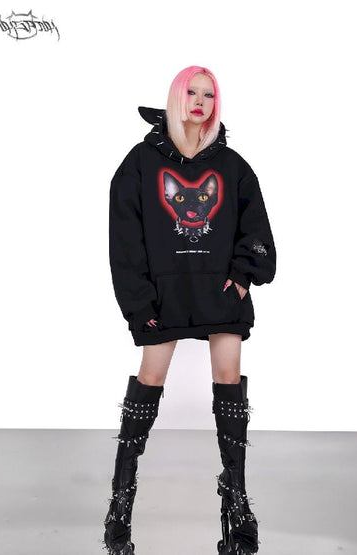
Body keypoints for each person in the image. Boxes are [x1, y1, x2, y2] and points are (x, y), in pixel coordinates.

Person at [103, 66, 277, 555]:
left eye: (209, 94)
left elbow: (256, 227)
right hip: (165, 295)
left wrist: (242, 277)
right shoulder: (140, 163)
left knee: (229, 378)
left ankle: (236, 499)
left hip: (219, 293)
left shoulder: (233, 166)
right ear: (176, 98)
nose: (200, 101)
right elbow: (125, 240)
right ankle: (120, 503)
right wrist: (139, 302)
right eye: (192, 92)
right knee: (150, 378)